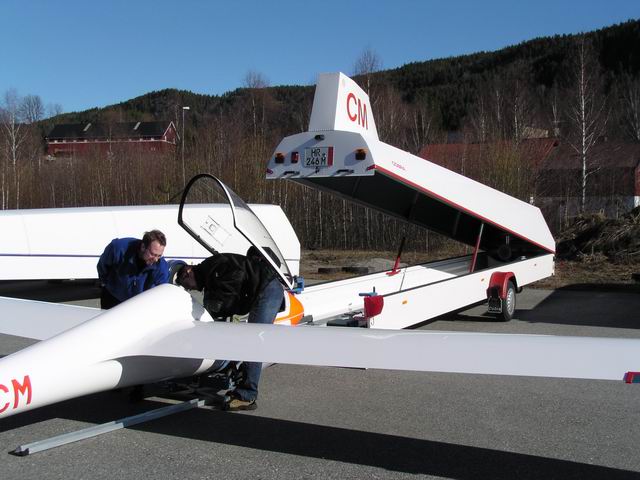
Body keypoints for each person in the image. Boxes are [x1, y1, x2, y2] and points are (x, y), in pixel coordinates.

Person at [176, 246, 284, 411]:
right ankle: (238, 373)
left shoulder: (213, 267)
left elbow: (233, 281)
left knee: (255, 341)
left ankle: (247, 395)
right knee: (243, 335)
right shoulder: (209, 273)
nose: (190, 288)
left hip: (267, 288)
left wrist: (220, 307)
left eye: (187, 284)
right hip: (260, 288)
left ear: (188, 272)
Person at [97, 229, 170, 309]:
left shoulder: (161, 268)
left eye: (159, 255)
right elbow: (103, 266)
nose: (156, 259)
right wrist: (104, 282)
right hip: (112, 298)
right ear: (143, 247)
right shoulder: (118, 248)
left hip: (137, 306)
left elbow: (162, 291)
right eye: (153, 254)